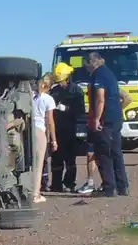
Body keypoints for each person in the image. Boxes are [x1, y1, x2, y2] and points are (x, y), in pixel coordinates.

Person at [85, 51, 129, 197]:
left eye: (86, 63)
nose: (84, 66)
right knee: (116, 153)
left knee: (104, 154)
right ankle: (122, 186)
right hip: (115, 119)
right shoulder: (109, 74)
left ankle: (110, 188)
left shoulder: (99, 76)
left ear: (93, 62)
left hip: (106, 121)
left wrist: (97, 118)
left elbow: (100, 99)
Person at [48, 62, 84, 192]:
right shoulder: (55, 91)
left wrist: (67, 108)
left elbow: (80, 110)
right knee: (56, 159)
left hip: (70, 128)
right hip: (57, 129)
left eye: (62, 81)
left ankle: (69, 183)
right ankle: (56, 184)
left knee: (70, 159)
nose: (61, 83)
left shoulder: (77, 91)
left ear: (68, 77)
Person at [30, 74, 57, 203]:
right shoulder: (48, 99)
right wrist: (54, 139)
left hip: (28, 129)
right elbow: (50, 121)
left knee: (29, 162)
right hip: (40, 130)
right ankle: (36, 193)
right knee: (39, 162)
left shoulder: (31, 96)